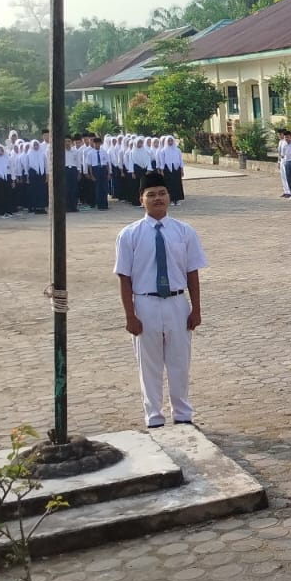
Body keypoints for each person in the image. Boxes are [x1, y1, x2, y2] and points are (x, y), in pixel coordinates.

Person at [115, 169, 207, 430]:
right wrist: (130, 315)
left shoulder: (184, 231)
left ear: (169, 196)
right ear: (141, 199)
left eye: (162, 193)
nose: (158, 199)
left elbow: (192, 272)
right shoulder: (129, 235)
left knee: (180, 362)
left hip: (177, 303)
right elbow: (124, 278)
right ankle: (154, 417)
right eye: (151, 195)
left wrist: (196, 308)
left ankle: (182, 414)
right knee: (149, 365)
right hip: (146, 304)